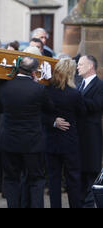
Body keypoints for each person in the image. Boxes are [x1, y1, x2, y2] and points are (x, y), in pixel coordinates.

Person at [0, 56, 54, 208]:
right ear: (34, 72)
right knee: (36, 180)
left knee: (11, 179)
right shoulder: (39, 89)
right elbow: (50, 108)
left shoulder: (4, 87)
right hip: (32, 142)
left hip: (9, 140)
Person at [44, 58, 85, 208]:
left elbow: (40, 114)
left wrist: (53, 121)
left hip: (51, 141)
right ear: (70, 73)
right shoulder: (75, 94)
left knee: (53, 180)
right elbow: (82, 114)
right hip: (70, 141)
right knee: (73, 178)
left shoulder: (47, 91)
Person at [76, 55, 103, 208]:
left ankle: (89, 203)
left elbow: (97, 105)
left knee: (91, 171)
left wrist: (77, 98)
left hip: (91, 136)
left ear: (90, 66)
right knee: (79, 172)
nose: (77, 67)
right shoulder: (80, 84)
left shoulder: (100, 85)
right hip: (79, 135)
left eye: (80, 64)